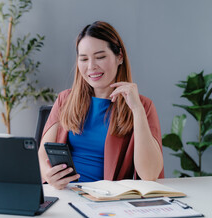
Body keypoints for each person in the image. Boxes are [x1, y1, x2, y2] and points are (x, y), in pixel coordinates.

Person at [38, 21, 164, 190]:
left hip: (108, 201)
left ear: (119, 57)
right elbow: (42, 157)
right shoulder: (65, 100)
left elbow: (150, 174)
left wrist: (137, 111)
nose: (91, 67)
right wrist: (49, 175)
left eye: (100, 57)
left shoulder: (143, 106)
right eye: (83, 59)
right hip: (67, 194)